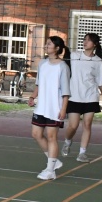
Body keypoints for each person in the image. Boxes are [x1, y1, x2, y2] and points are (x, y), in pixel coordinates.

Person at [28, 36, 71, 181]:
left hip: (55, 107)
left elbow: (66, 91)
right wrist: (33, 97)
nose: (46, 46)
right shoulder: (42, 63)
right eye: (46, 44)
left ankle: (50, 170)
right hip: (41, 107)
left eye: (49, 44)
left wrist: (63, 109)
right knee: (36, 134)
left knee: (52, 137)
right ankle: (54, 161)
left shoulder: (63, 67)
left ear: (57, 48)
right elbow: (39, 84)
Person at [63, 32, 102, 163]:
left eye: (88, 40)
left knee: (87, 124)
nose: (85, 42)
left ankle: (82, 153)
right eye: (84, 39)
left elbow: (100, 82)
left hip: (91, 96)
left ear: (95, 44)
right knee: (73, 126)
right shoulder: (74, 56)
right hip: (74, 96)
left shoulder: (98, 61)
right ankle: (67, 141)